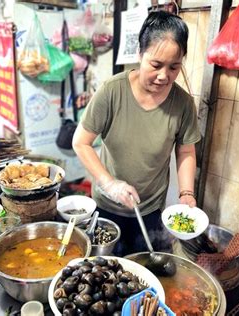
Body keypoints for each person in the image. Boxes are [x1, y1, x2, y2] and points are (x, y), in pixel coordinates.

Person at [72, 11, 201, 256]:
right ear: (140, 55)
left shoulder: (183, 103)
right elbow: (81, 143)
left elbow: (185, 150)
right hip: (108, 207)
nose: (164, 75)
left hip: (151, 209)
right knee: (106, 275)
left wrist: (186, 194)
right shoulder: (112, 92)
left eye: (174, 67)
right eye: (156, 65)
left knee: (150, 272)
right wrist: (110, 184)